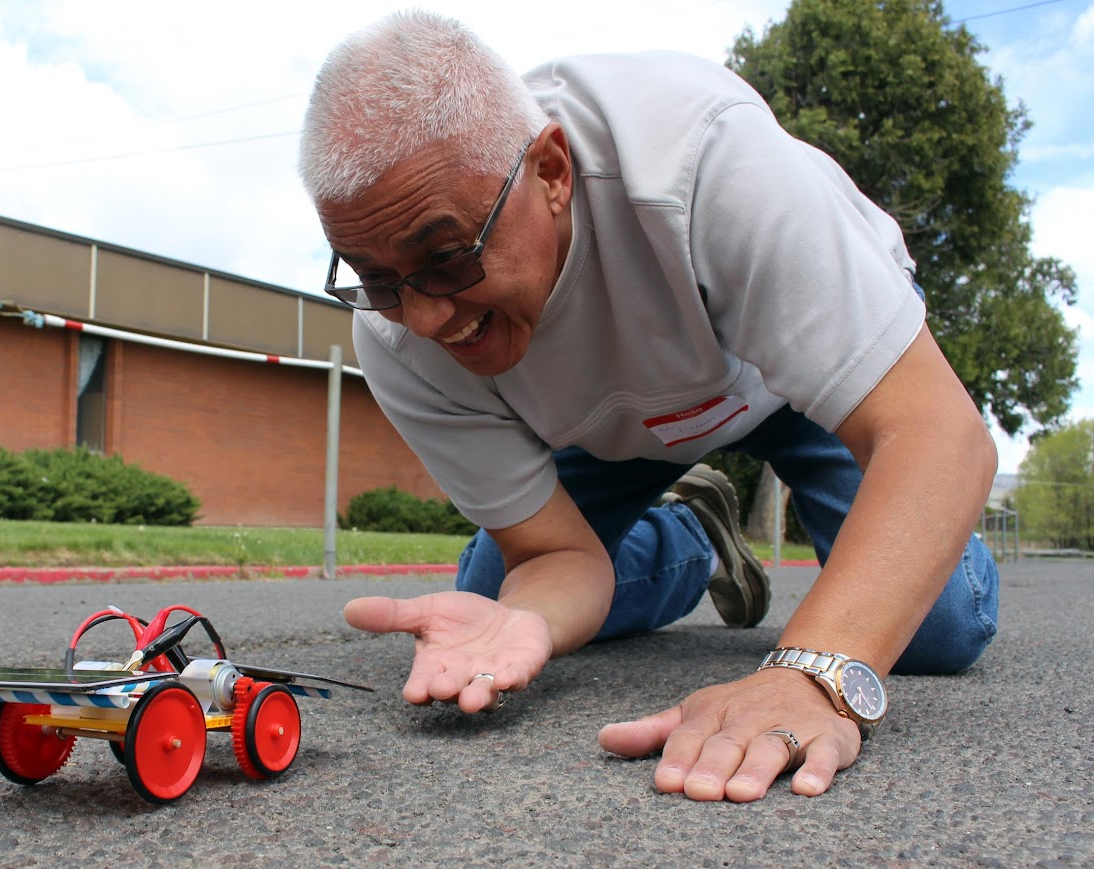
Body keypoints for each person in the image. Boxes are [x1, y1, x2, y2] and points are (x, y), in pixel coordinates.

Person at [298, 9, 999, 803]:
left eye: (446, 257)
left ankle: (920, 537)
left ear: (552, 172)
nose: (424, 317)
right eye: (379, 278)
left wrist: (810, 672)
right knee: (499, 596)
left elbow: (942, 435)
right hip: (613, 430)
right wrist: (534, 606)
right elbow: (553, 558)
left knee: (930, 630)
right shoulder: (393, 335)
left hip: (787, 380)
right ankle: (696, 534)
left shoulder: (705, 157)